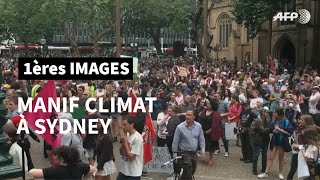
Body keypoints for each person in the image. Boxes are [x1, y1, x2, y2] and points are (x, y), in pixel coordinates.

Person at [258, 108, 294, 179]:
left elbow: (289, 133)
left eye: (275, 112)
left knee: (281, 158)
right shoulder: (274, 121)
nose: (273, 113)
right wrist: (273, 131)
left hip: (282, 141)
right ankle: (266, 172)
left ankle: (280, 173)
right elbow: (271, 130)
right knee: (271, 157)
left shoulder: (285, 121)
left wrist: (280, 130)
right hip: (274, 140)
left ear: (278, 113)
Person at [172, 110, 205, 180]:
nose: (187, 116)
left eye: (189, 115)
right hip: (184, 153)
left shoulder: (198, 126)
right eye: (186, 115)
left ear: (194, 117)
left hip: (194, 153)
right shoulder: (180, 127)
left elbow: (201, 139)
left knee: (192, 170)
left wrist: (203, 151)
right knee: (187, 169)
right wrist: (174, 154)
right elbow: (175, 142)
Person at [29, 146, 96, 179]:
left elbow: (31, 172)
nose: (53, 157)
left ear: (61, 159)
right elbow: (92, 169)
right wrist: (84, 179)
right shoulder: (80, 166)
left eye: (55, 155)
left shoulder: (53, 170)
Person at [117, 115, 144, 180]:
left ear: (131, 125)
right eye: (122, 125)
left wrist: (125, 143)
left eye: (125, 125)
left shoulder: (137, 138)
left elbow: (132, 157)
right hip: (124, 170)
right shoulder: (127, 135)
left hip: (133, 173)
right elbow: (121, 152)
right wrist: (123, 143)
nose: (123, 127)